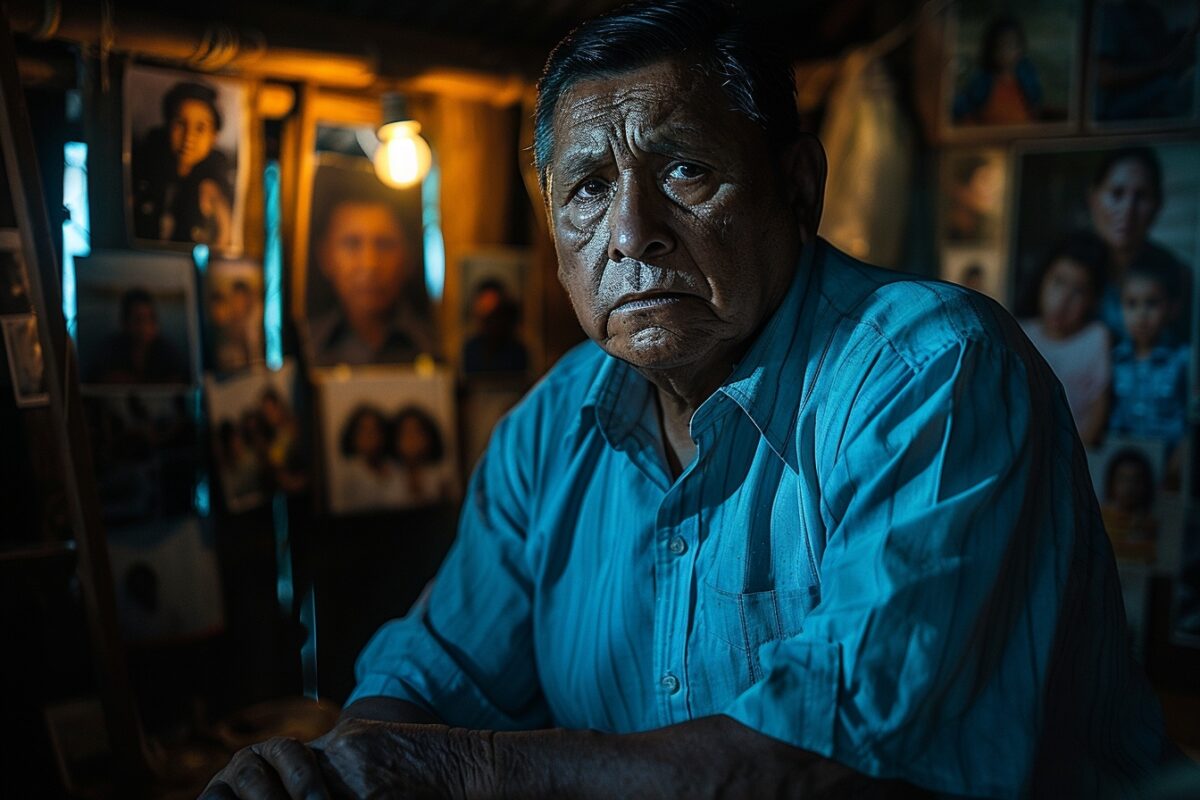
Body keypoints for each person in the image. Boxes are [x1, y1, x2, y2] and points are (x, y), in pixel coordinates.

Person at [203, 2, 1178, 797]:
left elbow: (819, 762)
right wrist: (327, 773)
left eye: (683, 168)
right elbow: (423, 678)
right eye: (586, 188)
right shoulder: (548, 431)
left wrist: (458, 767)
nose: (631, 232)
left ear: (798, 185)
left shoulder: (930, 371)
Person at [307, 179, 438, 366]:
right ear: (325, 256)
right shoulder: (306, 349)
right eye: (352, 244)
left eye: (384, 245)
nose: (370, 264)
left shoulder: (439, 348)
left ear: (409, 257)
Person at [1089, 146, 1191, 344]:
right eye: (1117, 193)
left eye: (1141, 196)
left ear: (1157, 205)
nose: (1128, 210)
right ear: (1093, 198)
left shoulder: (1179, 276)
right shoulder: (1071, 266)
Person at [1018, 231, 1111, 445]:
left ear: (1092, 300)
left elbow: (1098, 411)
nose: (1062, 300)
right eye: (1058, 282)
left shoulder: (1095, 338)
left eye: (1078, 291)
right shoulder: (1021, 332)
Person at [1107, 257, 1190, 476]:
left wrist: (1179, 461)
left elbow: (1189, 420)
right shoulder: (1115, 359)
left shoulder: (1183, 359)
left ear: (1173, 308)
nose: (1141, 314)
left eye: (1152, 303)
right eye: (1132, 304)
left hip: (1170, 467)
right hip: (1124, 470)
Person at [131, 80, 235, 249]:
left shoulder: (214, 186)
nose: (188, 138)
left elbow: (225, 242)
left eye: (200, 128)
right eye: (180, 124)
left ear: (213, 136)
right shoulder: (143, 167)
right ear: (168, 126)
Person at [1093, 0, 1198, 122]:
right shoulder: (1110, 15)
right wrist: (1160, 67)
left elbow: (1168, 52)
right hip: (1117, 111)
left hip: (1155, 97)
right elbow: (1105, 76)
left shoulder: (1151, 13)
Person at [952, 15, 1044, 125]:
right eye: (999, 46)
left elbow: (1036, 106)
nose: (1004, 52)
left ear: (1020, 48)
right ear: (990, 50)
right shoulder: (982, 82)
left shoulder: (1028, 79)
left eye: (1010, 45)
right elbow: (963, 109)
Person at [89, 287, 189, 385]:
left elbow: (178, 383)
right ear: (125, 322)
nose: (146, 326)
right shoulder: (109, 350)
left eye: (151, 318)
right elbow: (96, 382)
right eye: (139, 319)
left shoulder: (168, 351)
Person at [1100, 447, 1159, 563]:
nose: (1129, 487)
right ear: (1111, 482)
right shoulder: (1098, 518)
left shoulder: (1152, 525)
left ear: (1145, 485)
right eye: (1123, 479)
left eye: (1136, 480)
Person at [336, 404, 397, 513]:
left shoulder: (396, 467)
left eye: (375, 430)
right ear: (352, 437)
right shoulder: (348, 475)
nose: (370, 436)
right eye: (363, 430)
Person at [461, 279, 530, 374]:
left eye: (494, 315)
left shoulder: (518, 351)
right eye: (486, 316)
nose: (492, 323)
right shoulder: (471, 349)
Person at [390, 405, 452, 506]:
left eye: (417, 432)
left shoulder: (441, 476)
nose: (412, 440)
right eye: (406, 433)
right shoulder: (388, 476)